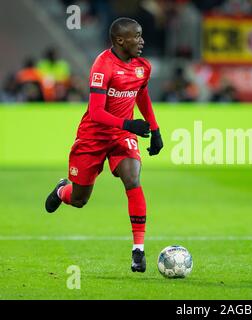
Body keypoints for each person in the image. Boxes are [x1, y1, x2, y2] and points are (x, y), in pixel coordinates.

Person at [44, 17, 163, 273]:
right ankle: (61, 191)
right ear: (120, 40)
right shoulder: (102, 66)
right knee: (79, 199)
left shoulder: (143, 66)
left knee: (133, 179)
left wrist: (155, 129)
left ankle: (138, 250)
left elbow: (141, 93)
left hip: (121, 137)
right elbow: (96, 112)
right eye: (137, 36)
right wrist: (130, 125)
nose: (142, 41)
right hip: (93, 137)